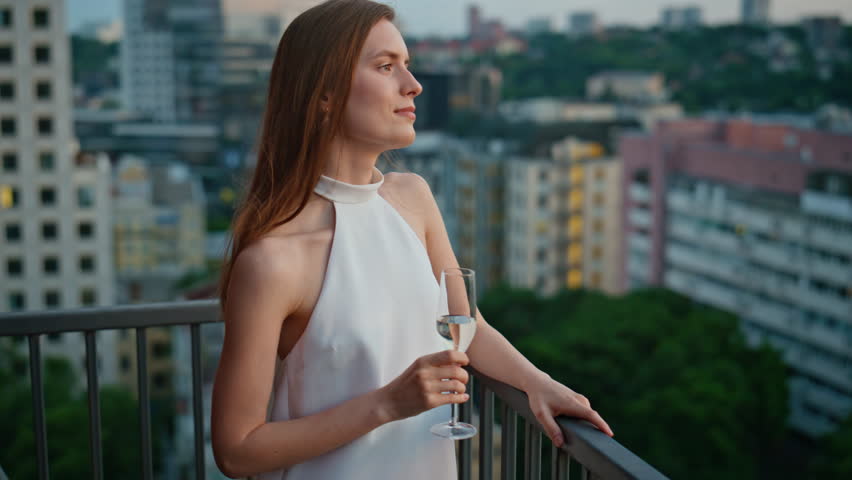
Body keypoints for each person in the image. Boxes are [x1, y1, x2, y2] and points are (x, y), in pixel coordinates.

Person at [210, 1, 614, 479]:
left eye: (407, 64)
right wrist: (386, 404)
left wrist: (538, 383)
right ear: (323, 94)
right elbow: (236, 451)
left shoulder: (413, 197)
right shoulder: (272, 262)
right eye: (386, 67)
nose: (413, 84)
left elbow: (467, 324)